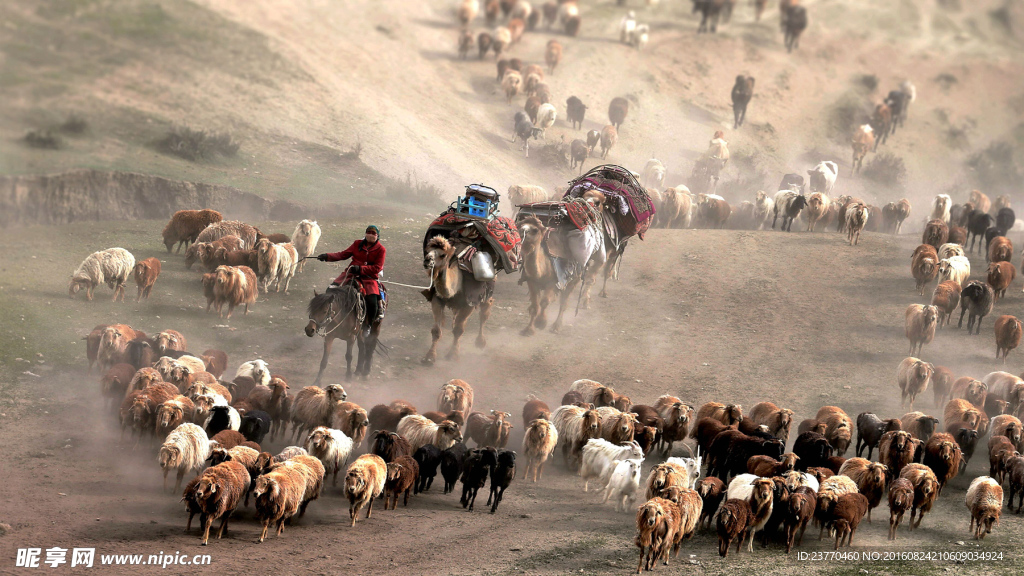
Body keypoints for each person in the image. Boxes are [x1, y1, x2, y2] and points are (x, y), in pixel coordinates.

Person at [317, 225, 386, 337]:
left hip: (368, 278)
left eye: (373, 233)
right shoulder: (357, 244)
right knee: (330, 290)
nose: (370, 235)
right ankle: (327, 318)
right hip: (351, 275)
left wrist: (361, 268)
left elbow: (377, 267)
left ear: (378, 236)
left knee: (372, 302)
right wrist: (327, 256)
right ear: (365, 233)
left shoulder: (381, 250)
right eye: (368, 232)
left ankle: (367, 325)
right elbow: (343, 255)